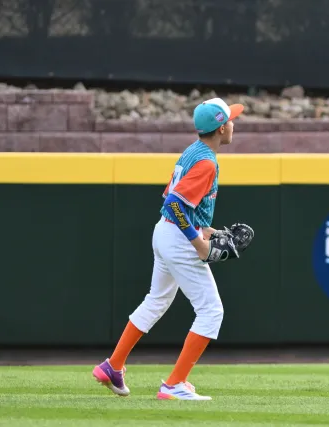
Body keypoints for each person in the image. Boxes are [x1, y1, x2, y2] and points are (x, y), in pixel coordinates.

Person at [92, 97, 244, 401]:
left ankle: (113, 365)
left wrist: (211, 231)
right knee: (211, 311)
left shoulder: (194, 151)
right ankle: (174, 383)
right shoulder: (206, 161)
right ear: (219, 128)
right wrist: (200, 243)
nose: (233, 124)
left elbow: (182, 205)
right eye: (229, 119)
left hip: (165, 232)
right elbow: (173, 203)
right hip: (177, 237)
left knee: (156, 301)